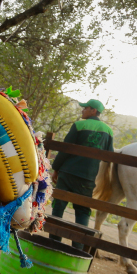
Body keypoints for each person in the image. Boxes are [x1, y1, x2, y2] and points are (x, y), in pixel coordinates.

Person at [49, 99, 114, 250]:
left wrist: (56, 168)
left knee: (58, 206)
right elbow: (108, 157)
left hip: (67, 173)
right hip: (87, 178)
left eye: (85, 108)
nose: (82, 110)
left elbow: (65, 149)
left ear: (93, 111)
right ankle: (77, 248)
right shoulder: (108, 131)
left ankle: (54, 243)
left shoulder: (79, 125)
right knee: (83, 211)